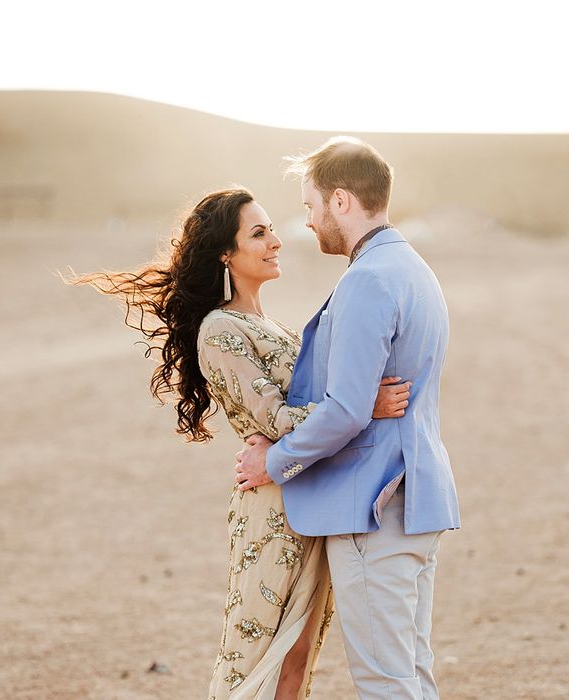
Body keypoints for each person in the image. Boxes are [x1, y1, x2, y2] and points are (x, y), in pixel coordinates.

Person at [66, 187, 410, 699]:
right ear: (226, 254)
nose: (276, 241)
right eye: (258, 233)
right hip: (272, 512)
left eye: (271, 229)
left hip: (312, 502)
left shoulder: (270, 325)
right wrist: (363, 406)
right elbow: (276, 421)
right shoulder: (219, 330)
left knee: (296, 664)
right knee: (251, 664)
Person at [235, 138, 461, 700]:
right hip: (417, 499)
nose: (308, 222)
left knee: (386, 682)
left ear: (341, 201)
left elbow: (346, 410)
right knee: (411, 675)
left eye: (311, 206)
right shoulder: (414, 269)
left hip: (373, 506)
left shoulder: (368, 279)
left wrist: (275, 462)